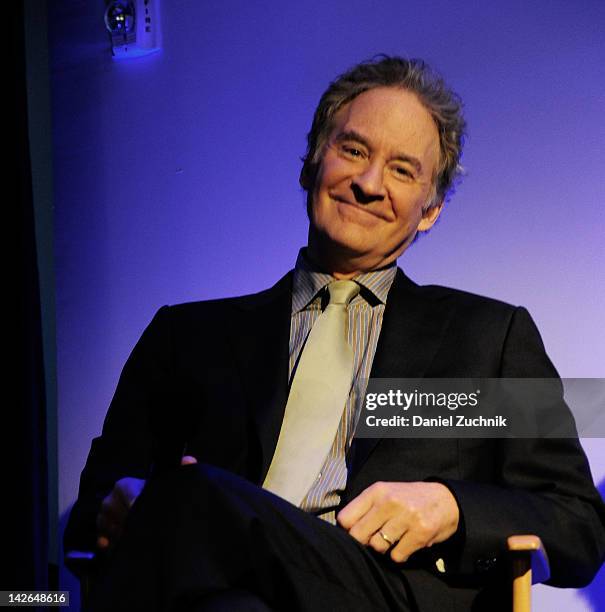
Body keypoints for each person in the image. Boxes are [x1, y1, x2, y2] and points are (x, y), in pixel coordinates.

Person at [64, 56, 605, 611]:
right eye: (353, 150)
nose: (369, 184)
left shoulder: (488, 339)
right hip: (217, 594)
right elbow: (86, 523)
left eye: (402, 170)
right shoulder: (186, 337)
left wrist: (452, 507)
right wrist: (122, 504)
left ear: (430, 211)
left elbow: (577, 524)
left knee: (187, 496)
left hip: (380, 594)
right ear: (311, 163)